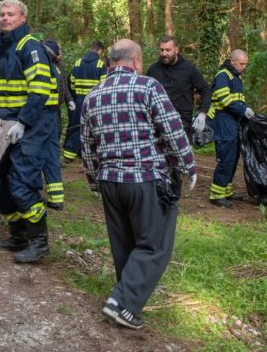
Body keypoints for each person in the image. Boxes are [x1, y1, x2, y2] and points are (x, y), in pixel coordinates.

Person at [80, 39, 197, 330]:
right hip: (144, 178)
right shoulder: (148, 86)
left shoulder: (92, 95)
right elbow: (172, 128)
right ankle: (123, 302)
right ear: (136, 61)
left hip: (110, 181)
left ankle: (125, 305)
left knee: (124, 245)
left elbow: (86, 145)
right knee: (155, 245)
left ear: (110, 62)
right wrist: (188, 165)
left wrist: (95, 181)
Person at [0, 0, 59, 263]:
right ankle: (18, 234)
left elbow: (40, 90)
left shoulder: (30, 47)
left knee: (22, 183)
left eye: (10, 14)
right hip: (6, 123)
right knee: (0, 184)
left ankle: (39, 241)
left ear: (23, 18)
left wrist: (23, 122)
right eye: (2, 14)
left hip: (32, 124)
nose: (4, 18)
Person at [146, 35, 212, 145]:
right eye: (162, 50)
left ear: (177, 50)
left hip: (182, 124)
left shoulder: (189, 69)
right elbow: (145, 94)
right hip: (157, 124)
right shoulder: (153, 69)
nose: (164, 53)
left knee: (182, 160)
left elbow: (205, 90)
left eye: (168, 50)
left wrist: (202, 114)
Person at [208, 49, 253, 208]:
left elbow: (238, 100)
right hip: (223, 119)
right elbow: (224, 99)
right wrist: (243, 110)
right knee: (226, 157)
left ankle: (226, 190)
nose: (244, 67)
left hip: (233, 120)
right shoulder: (223, 75)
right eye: (242, 64)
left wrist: (245, 109)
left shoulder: (236, 77)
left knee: (233, 157)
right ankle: (216, 194)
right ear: (232, 61)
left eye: (245, 64)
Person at [62, 41, 107, 162]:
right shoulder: (100, 65)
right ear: (100, 51)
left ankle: (68, 155)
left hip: (79, 101)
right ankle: (91, 155)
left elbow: (71, 82)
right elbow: (104, 85)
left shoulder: (78, 63)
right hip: (94, 102)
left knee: (75, 126)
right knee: (95, 128)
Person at [40, 39, 69, 210]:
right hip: (53, 116)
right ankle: (56, 199)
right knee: (51, 156)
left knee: (37, 154)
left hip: (42, 116)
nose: (61, 54)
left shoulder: (47, 67)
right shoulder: (56, 68)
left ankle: (36, 194)